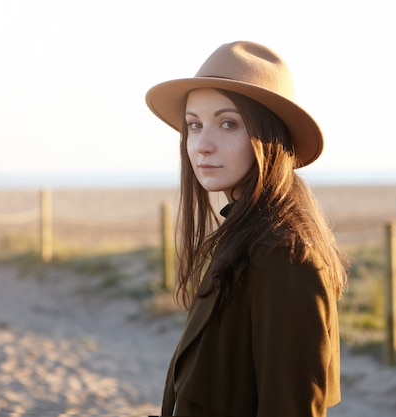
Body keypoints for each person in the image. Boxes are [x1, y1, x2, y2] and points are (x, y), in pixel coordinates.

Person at [145, 40, 348, 417]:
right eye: (194, 125)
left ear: (268, 135)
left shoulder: (283, 254)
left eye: (228, 123)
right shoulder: (243, 235)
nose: (202, 145)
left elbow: (291, 408)